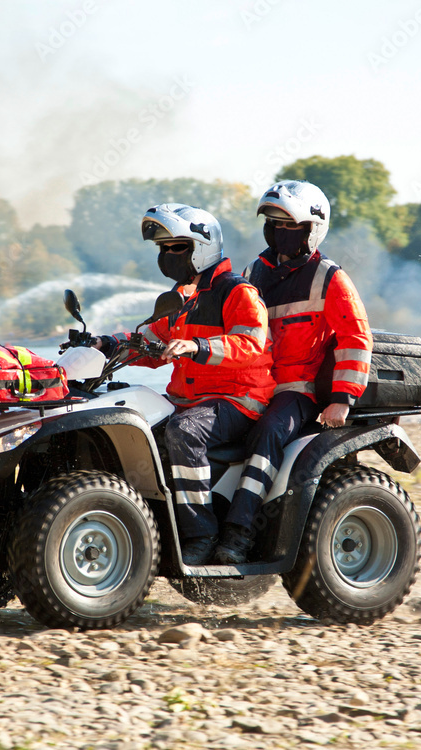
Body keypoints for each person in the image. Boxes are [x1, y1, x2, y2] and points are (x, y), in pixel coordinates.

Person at [96, 203, 275, 565]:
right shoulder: (182, 299)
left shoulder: (238, 293)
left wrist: (198, 346)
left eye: (176, 247)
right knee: (130, 420)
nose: (167, 255)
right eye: (162, 249)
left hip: (239, 398)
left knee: (184, 431)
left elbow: (250, 343)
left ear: (203, 246)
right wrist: (106, 345)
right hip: (192, 398)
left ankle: (201, 532)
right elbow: (147, 341)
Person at [213, 180, 374, 564]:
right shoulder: (253, 271)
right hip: (253, 385)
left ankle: (239, 532)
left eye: (291, 225)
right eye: (274, 223)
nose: (281, 232)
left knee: (268, 433)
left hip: (297, 390)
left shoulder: (329, 276)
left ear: (312, 229)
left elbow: (355, 337)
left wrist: (342, 400)